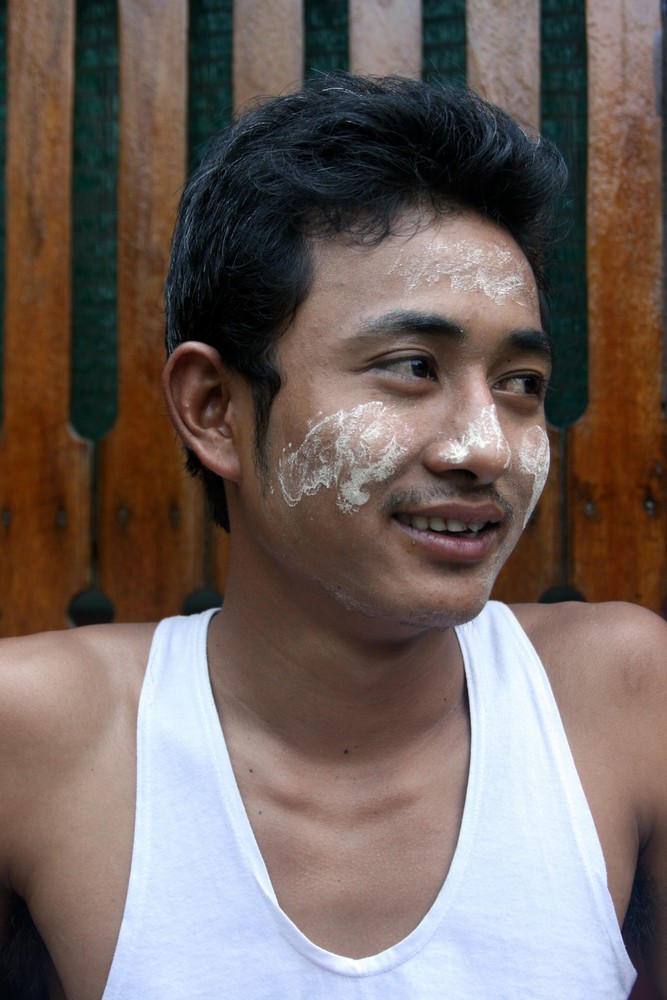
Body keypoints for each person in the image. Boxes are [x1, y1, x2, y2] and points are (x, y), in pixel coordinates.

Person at [0, 72, 665, 1000]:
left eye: (518, 382)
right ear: (214, 411)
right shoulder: (38, 737)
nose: (486, 449)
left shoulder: (626, 701)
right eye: (410, 367)